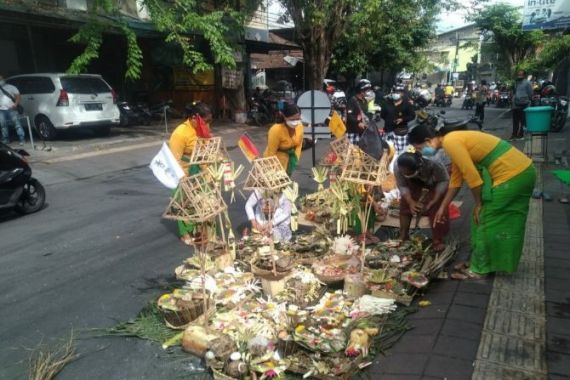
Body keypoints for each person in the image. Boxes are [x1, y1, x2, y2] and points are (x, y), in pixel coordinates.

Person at [408, 124, 536, 279]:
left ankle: (479, 269)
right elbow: (456, 180)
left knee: (485, 220)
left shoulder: (450, 141)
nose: (422, 153)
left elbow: (473, 179)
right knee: (479, 221)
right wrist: (442, 207)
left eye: (420, 148)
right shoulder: (451, 141)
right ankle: (481, 262)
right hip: (517, 173)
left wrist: (478, 204)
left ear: (428, 141)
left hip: (514, 175)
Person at [169, 101, 213, 245]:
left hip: (200, 170)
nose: (207, 124)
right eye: (205, 121)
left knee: (204, 203)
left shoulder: (203, 128)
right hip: (185, 172)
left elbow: (205, 149)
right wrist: (183, 179)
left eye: (208, 121)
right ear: (194, 117)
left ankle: (201, 231)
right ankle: (185, 233)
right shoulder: (180, 133)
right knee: (184, 204)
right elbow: (174, 160)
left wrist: (209, 172)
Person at [394, 148, 450, 251]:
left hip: (435, 181)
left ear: (419, 166)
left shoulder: (434, 162)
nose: (405, 174)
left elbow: (444, 180)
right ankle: (403, 235)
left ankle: (438, 239)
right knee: (405, 205)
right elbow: (402, 185)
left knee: (436, 208)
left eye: (409, 173)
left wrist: (435, 199)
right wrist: (411, 202)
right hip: (413, 184)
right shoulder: (397, 166)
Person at [263, 103, 304, 176]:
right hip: (275, 160)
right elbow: (271, 152)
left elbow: (299, 145)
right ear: (284, 117)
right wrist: (272, 170)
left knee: (287, 183)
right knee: (277, 183)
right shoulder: (276, 130)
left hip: (290, 160)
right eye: (292, 119)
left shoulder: (300, 127)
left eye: (297, 119)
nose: (295, 122)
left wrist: (296, 159)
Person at [381, 85, 416, 156]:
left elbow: (412, 116)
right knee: (388, 152)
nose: (396, 93)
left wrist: (402, 119)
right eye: (394, 92)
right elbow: (383, 115)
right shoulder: (387, 103)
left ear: (402, 94)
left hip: (401, 132)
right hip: (388, 131)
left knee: (400, 153)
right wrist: (389, 120)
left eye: (398, 92)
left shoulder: (407, 104)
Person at [0, 75, 25, 145]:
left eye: (0, 79)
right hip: (1, 110)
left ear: (3, 79)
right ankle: (6, 140)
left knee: (17, 124)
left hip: (12, 109)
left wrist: (16, 104)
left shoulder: (11, 87)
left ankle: (21, 139)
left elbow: (18, 96)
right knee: (3, 125)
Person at [512, 70, 533, 139]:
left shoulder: (527, 83)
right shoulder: (516, 82)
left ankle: (521, 134)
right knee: (515, 121)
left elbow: (530, 94)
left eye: (521, 75)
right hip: (515, 104)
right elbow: (514, 92)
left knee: (523, 120)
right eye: (518, 74)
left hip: (524, 104)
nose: (519, 76)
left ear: (524, 75)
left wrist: (526, 100)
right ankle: (514, 134)